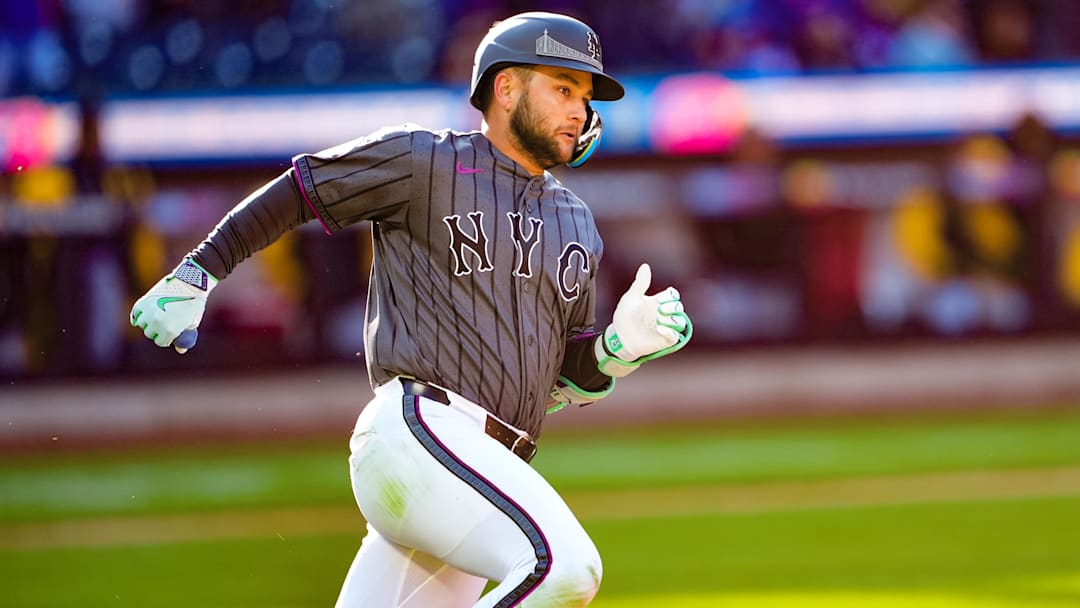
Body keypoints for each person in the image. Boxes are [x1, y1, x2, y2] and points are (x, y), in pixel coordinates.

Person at [130, 12, 691, 607]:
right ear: (505, 88)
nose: (579, 110)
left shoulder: (577, 222)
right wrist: (198, 271)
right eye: (563, 88)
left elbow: (559, 375)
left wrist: (615, 350)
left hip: (483, 467)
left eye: (584, 96)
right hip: (422, 431)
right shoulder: (424, 159)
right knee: (564, 568)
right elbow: (301, 190)